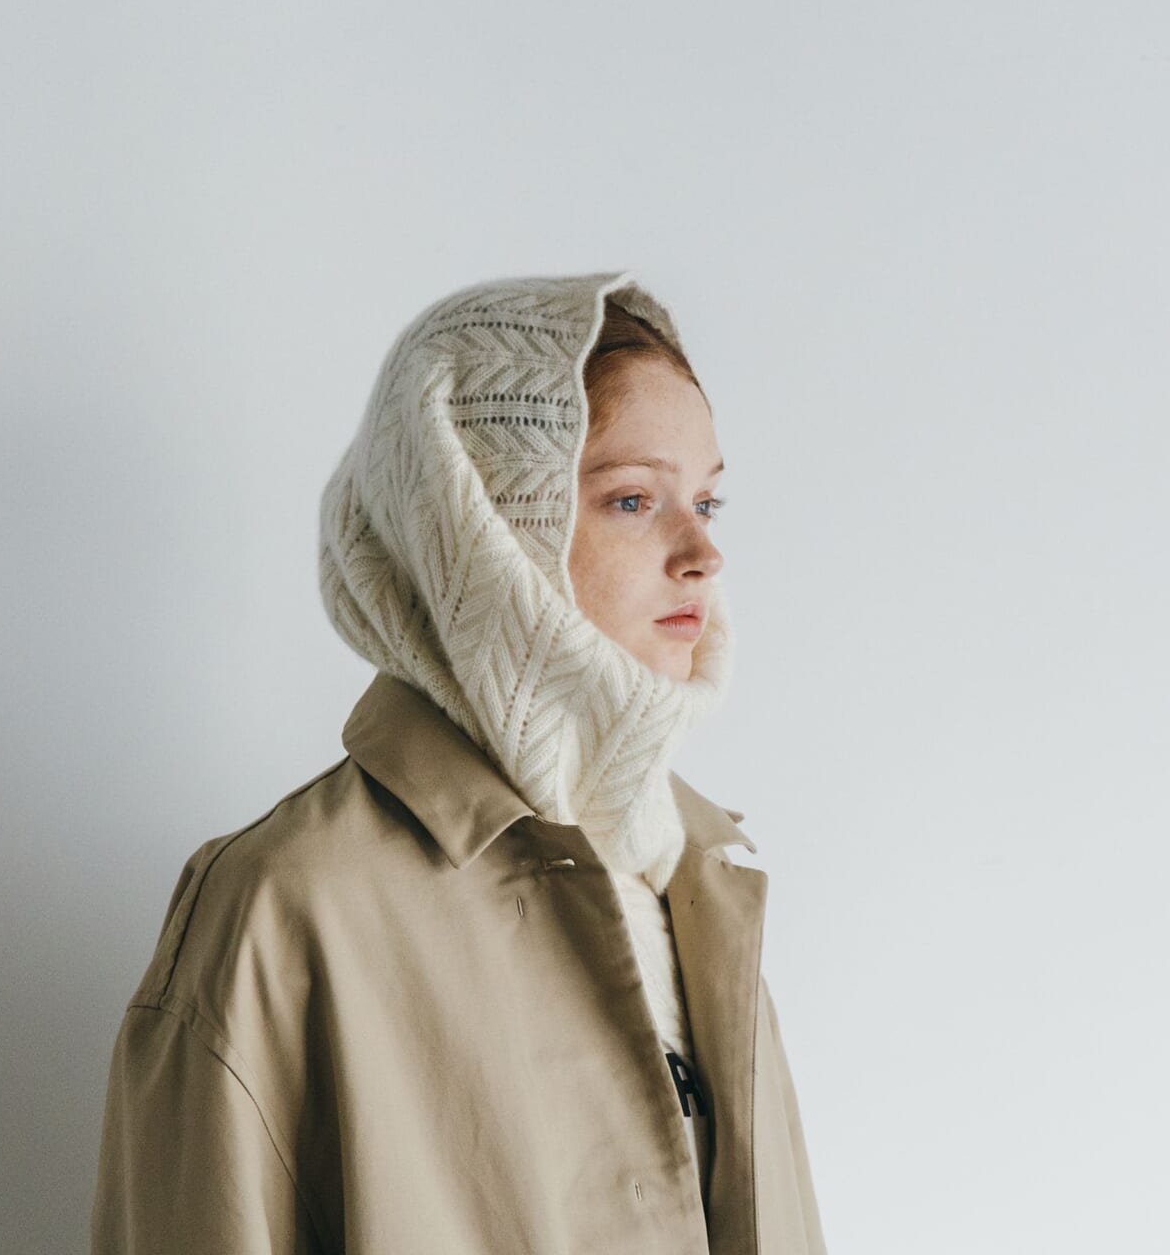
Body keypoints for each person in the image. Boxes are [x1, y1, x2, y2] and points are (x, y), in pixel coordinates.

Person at [89, 271, 826, 1253]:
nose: (701, 552)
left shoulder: (696, 876)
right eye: (632, 498)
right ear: (481, 526)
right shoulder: (286, 907)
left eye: (706, 500)